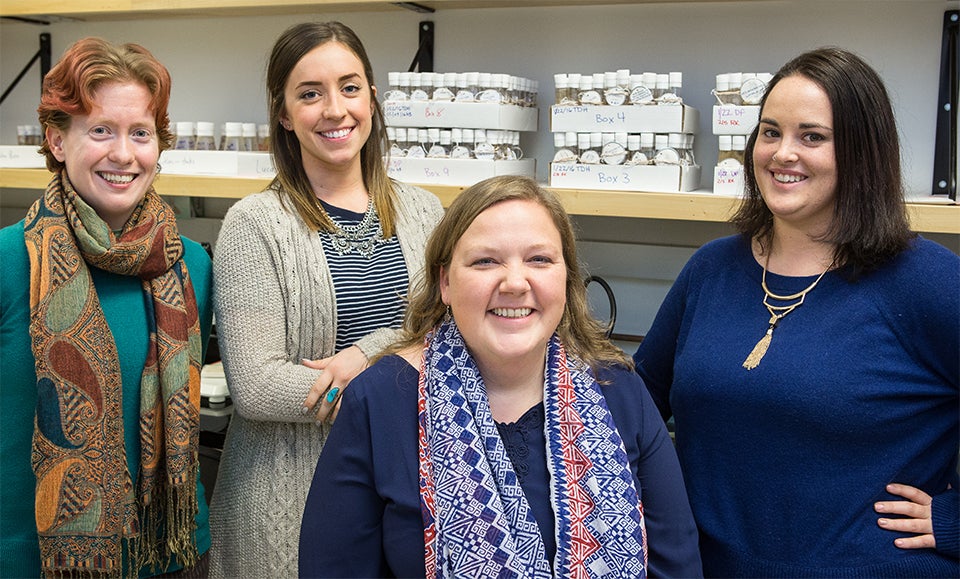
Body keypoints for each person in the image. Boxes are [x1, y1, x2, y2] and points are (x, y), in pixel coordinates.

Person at [633, 46, 959, 576]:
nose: (783, 153)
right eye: (770, 131)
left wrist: (953, 522)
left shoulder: (927, 282)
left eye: (813, 136)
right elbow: (635, 403)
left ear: (863, 153)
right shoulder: (711, 270)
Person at [299, 175, 703, 578]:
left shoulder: (619, 392)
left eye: (539, 259)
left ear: (565, 277)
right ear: (445, 282)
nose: (514, 283)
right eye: (485, 261)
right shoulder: (381, 399)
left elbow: (677, 566)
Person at [209, 21, 444, 578]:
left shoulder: (426, 212)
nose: (335, 109)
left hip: (409, 487)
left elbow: (445, 334)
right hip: (284, 499)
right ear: (285, 114)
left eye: (349, 86)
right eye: (310, 93)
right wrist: (399, 379)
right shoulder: (255, 224)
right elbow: (259, 388)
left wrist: (367, 355)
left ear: (372, 97)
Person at [0, 37, 213, 577]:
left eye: (140, 133)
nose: (124, 154)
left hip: (169, 553)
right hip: (33, 558)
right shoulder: (7, 261)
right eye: (100, 131)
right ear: (56, 139)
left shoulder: (190, 265)